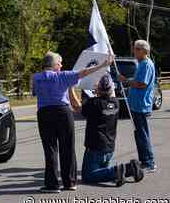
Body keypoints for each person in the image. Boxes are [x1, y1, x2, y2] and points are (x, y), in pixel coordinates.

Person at [32, 51, 113, 193]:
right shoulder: (63, 76)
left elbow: (36, 92)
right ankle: (69, 182)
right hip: (63, 112)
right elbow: (85, 72)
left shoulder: (36, 77)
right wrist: (103, 65)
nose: (62, 65)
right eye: (60, 63)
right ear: (55, 65)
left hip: (44, 113)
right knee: (67, 147)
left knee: (50, 148)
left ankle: (51, 184)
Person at [81, 74, 144, 186]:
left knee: (88, 176)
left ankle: (117, 171)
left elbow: (77, 107)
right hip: (109, 147)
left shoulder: (94, 103)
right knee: (102, 173)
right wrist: (100, 91)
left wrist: (70, 89)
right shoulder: (116, 102)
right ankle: (130, 168)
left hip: (95, 147)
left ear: (98, 88)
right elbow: (106, 97)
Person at [118, 40, 157, 173]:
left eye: (136, 49)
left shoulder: (146, 64)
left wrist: (126, 81)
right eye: (134, 48)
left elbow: (142, 84)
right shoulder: (141, 63)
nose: (133, 51)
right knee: (139, 134)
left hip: (141, 105)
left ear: (143, 51)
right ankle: (144, 160)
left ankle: (149, 162)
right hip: (136, 104)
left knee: (142, 134)